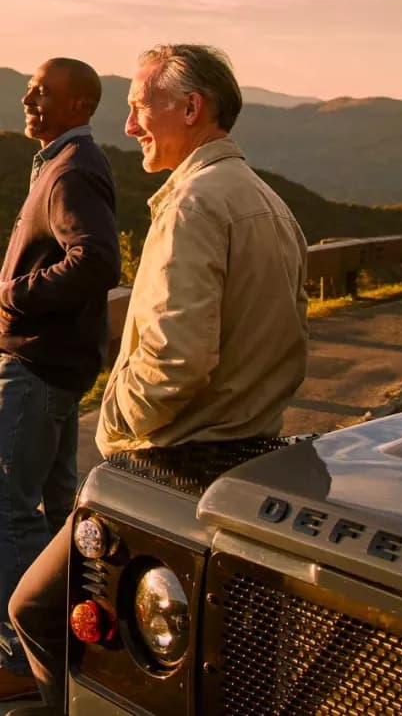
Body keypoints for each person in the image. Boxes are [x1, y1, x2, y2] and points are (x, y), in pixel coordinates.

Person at [7, 44, 309, 716]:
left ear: (191, 107)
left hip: (170, 464)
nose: (132, 125)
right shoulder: (269, 202)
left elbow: (175, 361)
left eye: (141, 107)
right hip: (248, 459)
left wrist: (113, 430)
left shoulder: (195, 204)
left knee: (34, 606)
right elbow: (292, 340)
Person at [0, 58, 120, 703]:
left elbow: (97, 258)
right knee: (52, 508)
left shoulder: (72, 168)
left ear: (79, 106)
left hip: (36, 367)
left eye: (43, 92)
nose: (28, 97)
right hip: (53, 365)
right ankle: (59, 638)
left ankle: (18, 656)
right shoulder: (60, 162)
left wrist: (15, 295)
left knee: (7, 508)